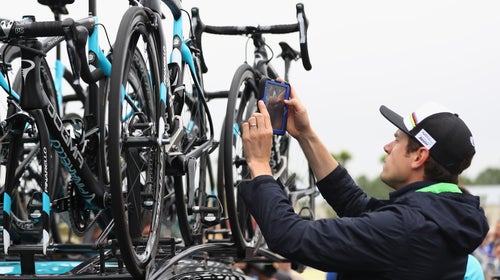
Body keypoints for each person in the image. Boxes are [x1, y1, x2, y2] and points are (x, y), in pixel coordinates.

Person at [240, 84, 489, 279]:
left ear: (419, 156)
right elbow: (356, 204)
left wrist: (261, 165)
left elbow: (291, 236)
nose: (387, 147)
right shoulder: (443, 218)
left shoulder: (406, 227)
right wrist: (306, 134)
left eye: (397, 140)